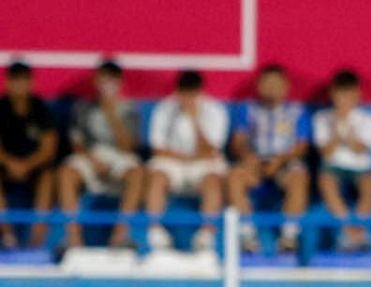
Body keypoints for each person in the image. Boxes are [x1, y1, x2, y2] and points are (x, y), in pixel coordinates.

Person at [57, 61, 145, 251]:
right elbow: (77, 143)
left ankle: (120, 236)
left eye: (111, 81)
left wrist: (111, 113)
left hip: (119, 157)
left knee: (137, 173)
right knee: (66, 172)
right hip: (91, 155)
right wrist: (93, 160)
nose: (106, 85)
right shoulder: (82, 108)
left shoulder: (130, 109)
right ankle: (73, 238)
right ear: (95, 81)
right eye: (102, 80)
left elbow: (128, 147)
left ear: (120, 83)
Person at [228, 64, 310, 255]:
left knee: (299, 177)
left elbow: (301, 145)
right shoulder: (247, 109)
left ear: (286, 87)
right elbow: (238, 141)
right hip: (255, 161)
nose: (272, 89)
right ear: (259, 86)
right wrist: (248, 156)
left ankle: (289, 237)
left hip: (285, 162)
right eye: (267, 84)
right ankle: (247, 235)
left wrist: (280, 160)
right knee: (235, 176)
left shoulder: (296, 111)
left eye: (277, 84)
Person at [145, 70, 230, 252]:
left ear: (200, 92)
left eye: (192, 93)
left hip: (202, 165)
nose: (187, 98)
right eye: (183, 93)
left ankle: (206, 236)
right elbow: (157, 147)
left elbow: (211, 151)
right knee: (157, 177)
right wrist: (184, 157)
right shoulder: (165, 108)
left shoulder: (214, 110)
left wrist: (195, 120)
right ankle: (155, 233)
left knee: (212, 181)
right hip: (173, 162)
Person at [313, 69, 371, 252]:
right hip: (333, 167)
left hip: (362, 168)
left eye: (348, 95)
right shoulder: (322, 118)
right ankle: (350, 233)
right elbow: (326, 153)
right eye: (340, 95)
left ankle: (357, 233)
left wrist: (348, 128)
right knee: (326, 181)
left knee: (370, 185)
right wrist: (335, 127)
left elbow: (361, 150)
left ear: (357, 94)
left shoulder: (369, 119)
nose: (344, 100)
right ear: (332, 94)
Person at [0, 62, 58, 249]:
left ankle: (36, 241)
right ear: (7, 82)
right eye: (15, 81)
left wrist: (27, 165)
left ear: (31, 83)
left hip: (34, 168)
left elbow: (48, 149)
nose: (19, 86)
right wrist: (10, 163)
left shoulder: (41, 110)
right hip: (5, 166)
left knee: (48, 177)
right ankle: (7, 235)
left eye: (24, 80)